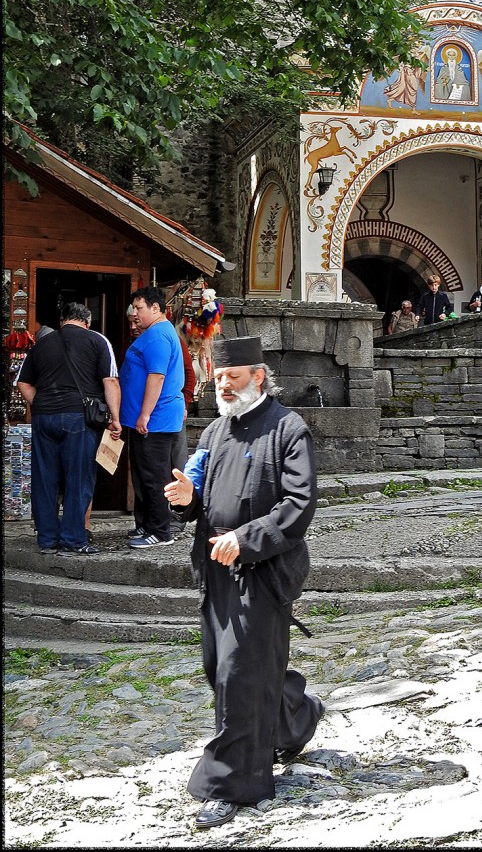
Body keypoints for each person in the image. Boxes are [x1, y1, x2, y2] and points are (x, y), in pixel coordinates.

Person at [164, 335, 324, 830]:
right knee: (225, 668)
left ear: (258, 376)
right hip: (214, 568)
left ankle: (230, 784)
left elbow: (298, 506)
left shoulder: (289, 430)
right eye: (218, 378)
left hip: (262, 570)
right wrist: (185, 497)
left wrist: (247, 538)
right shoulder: (213, 431)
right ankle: (296, 716)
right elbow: (197, 489)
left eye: (232, 377)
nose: (224, 385)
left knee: (238, 674)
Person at [16, 303, 121, 556]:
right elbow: (110, 380)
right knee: (79, 478)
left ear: (62, 321)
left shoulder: (41, 343)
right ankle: (73, 539)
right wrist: (114, 418)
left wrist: (41, 404)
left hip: (44, 418)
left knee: (45, 479)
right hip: (79, 418)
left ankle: (48, 541)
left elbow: (22, 383)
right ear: (87, 321)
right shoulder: (98, 340)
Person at [122, 303, 196, 540]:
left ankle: (164, 526)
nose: (134, 325)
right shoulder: (146, 341)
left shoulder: (160, 338)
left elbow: (165, 375)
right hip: (148, 417)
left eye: (137, 318)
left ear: (153, 309)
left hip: (159, 417)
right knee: (145, 474)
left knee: (162, 471)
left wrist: (184, 402)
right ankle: (148, 524)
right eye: (131, 322)